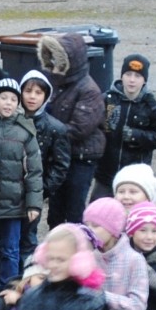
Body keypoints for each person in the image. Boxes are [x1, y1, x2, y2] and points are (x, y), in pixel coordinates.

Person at [0, 78, 44, 298]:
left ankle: (7, 287)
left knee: (10, 248)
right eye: (3, 98)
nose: (8, 103)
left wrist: (33, 203)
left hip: (15, 203)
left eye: (13, 99)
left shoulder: (24, 131)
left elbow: (34, 172)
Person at [34, 33, 106, 224]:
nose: (55, 66)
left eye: (59, 61)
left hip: (81, 157)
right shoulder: (58, 83)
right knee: (56, 206)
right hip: (61, 154)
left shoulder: (89, 90)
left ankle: (77, 244)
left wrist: (47, 135)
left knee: (74, 207)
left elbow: (80, 128)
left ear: (70, 63)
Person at [98, 53, 156, 194]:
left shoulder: (150, 106)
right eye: (128, 74)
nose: (132, 80)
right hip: (105, 175)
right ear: (121, 76)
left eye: (137, 76)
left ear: (144, 81)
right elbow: (94, 128)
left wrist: (136, 136)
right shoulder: (107, 99)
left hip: (135, 178)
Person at [20, 70, 74, 233]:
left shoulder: (55, 128)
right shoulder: (10, 121)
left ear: (46, 96)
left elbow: (60, 165)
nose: (32, 97)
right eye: (28, 91)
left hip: (34, 194)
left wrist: (42, 190)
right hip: (7, 193)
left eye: (38, 92)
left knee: (27, 237)